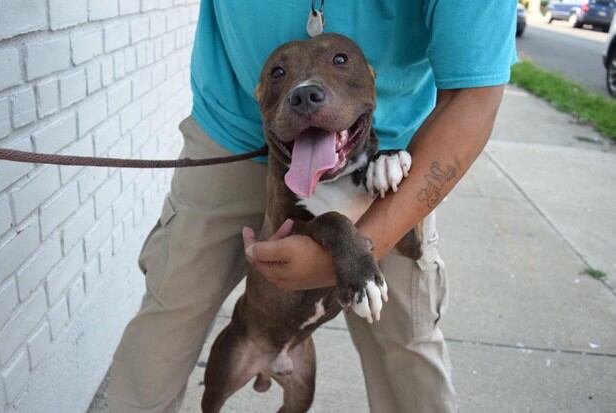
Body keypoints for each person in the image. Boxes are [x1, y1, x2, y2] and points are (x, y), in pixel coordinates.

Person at [107, 1, 517, 412]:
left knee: (408, 341)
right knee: (169, 316)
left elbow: (474, 94)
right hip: (228, 133)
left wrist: (357, 251)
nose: (305, 91)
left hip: (386, 155)